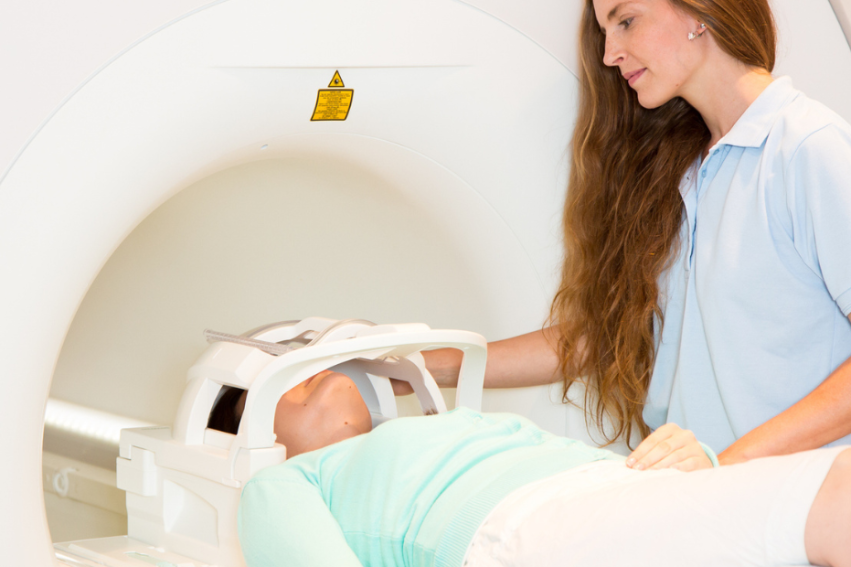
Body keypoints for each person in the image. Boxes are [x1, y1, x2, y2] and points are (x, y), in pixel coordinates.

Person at [399, 0, 851, 468]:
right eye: (605, 31)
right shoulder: (689, 171)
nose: (609, 54)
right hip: (700, 497)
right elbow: (605, 336)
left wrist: (724, 465)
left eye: (627, 22)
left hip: (789, 507)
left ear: (700, 13)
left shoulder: (807, 149)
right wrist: (419, 365)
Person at [229, 370, 851, 567]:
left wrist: (696, 461)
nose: (315, 374)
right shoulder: (288, 480)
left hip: (610, 497)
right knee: (832, 489)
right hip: (526, 529)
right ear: (262, 436)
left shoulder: (439, 424)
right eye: (288, 386)